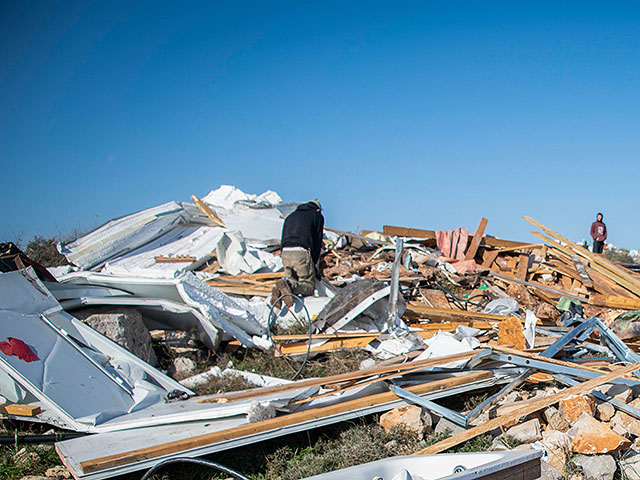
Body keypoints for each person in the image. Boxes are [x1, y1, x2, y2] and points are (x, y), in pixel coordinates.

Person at [271, 200, 324, 307]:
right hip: (301, 251)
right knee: (308, 286)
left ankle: (280, 289)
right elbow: (317, 240)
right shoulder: (316, 215)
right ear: (318, 209)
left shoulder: (290, 216)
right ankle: (290, 286)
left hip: (285, 251)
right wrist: (313, 261)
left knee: (291, 279)